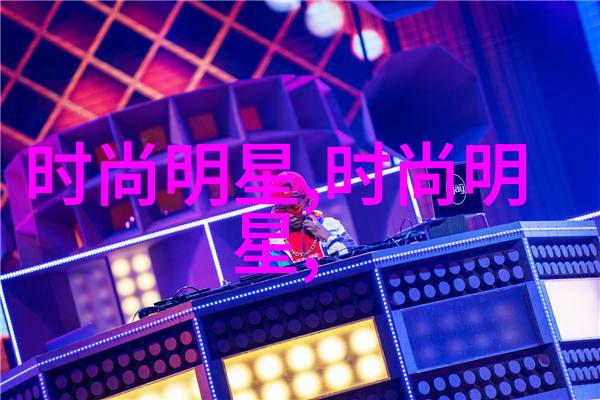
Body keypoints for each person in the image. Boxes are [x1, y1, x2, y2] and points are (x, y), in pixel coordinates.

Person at [270, 171, 357, 263]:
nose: (290, 215)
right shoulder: (274, 245)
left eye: (295, 206)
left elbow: (355, 260)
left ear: (307, 201)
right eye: (283, 209)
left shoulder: (331, 226)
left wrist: (327, 236)